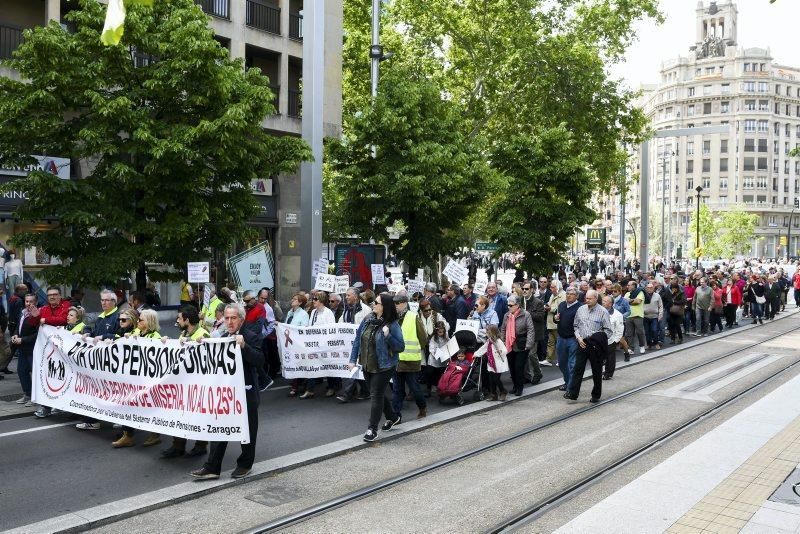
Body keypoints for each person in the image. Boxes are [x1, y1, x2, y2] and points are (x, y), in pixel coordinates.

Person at [191, 304, 264, 480]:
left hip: (246, 392)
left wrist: (244, 346)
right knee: (219, 427)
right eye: (227, 318)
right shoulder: (223, 337)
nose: (229, 322)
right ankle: (212, 467)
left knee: (247, 430)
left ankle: (245, 464)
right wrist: (200, 345)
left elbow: (260, 361)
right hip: (226, 394)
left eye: (233, 318)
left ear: (241, 319)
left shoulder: (251, 336)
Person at [348, 293, 405, 442]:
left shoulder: (392, 324)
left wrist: (388, 336)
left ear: (384, 307)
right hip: (367, 364)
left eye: (376, 303)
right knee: (376, 393)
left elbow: (400, 347)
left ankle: (372, 429)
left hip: (385, 366)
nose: (374, 304)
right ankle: (393, 417)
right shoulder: (368, 320)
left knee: (376, 395)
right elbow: (357, 340)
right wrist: (352, 360)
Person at [161, 305, 210, 459]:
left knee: (198, 416)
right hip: (184, 382)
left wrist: (188, 341)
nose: (177, 320)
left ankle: (200, 446)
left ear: (187, 320)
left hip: (198, 383)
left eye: (179, 318)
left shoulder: (203, 334)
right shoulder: (184, 332)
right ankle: (178, 446)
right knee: (180, 414)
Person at [112, 309, 162, 448]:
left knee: (150, 406)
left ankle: (155, 434)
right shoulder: (135, 333)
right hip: (133, 378)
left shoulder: (156, 337)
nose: (138, 321)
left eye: (141, 320)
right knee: (128, 403)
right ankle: (127, 435)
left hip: (147, 379)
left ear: (149, 322)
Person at [564, 290, 612, 403]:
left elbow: (609, 331)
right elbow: (575, 325)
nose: (587, 300)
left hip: (595, 345)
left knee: (596, 370)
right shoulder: (581, 310)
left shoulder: (603, 312)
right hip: (582, 343)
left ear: (596, 298)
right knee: (577, 368)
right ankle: (573, 393)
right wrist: (578, 337)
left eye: (590, 298)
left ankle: (596, 395)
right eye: (586, 298)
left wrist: (599, 339)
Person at [392, 293, 427, 420]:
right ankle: (396, 415)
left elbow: (423, 337)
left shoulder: (413, 316)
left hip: (411, 360)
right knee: (397, 389)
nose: (395, 306)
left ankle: (422, 408)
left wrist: (418, 348)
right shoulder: (392, 317)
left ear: (404, 303)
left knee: (414, 388)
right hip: (396, 360)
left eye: (397, 303)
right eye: (394, 303)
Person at [301, 291, 339, 398]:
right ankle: (310, 389)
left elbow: (331, 329)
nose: (313, 301)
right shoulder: (313, 312)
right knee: (313, 365)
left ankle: (332, 387)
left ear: (321, 301)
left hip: (325, 345)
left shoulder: (328, 313)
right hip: (314, 344)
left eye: (315, 299)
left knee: (327, 366)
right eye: (313, 299)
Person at [499, 294, 534, 397]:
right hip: (509, 345)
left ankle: (519, 387)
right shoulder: (506, 315)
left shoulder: (525, 314)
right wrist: (503, 343)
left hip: (522, 344)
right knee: (512, 368)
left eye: (511, 305)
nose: (509, 307)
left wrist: (529, 344)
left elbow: (531, 330)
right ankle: (515, 386)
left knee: (519, 367)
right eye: (508, 305)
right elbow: (503, 329)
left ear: (517, 305)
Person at [12, 293, 40, 407]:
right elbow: (18, 328)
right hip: (22, 349)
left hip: (32, 349)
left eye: (31, 301)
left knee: (35, 373)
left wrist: (22, 340)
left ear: (36, 302)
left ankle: (36, 397)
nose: (28, 304)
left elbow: (37, 334)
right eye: (27, 301)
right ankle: (27, 394)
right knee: (21, 371)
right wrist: (14, 335)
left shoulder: (37, 315)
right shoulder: (23, 313)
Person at [555, 287, 581, 391]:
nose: (568, 295)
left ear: (577, 296)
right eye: (567, 294)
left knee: (572, 364)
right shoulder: (561, 305)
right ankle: (567, 381)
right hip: (561, 338)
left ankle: (571, 387)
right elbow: (557, 319)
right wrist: (555, 319)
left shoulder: (580, 307)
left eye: (571, 294)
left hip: (573, 339)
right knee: (561, 363)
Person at [473, 324, 508, 401]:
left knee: (496, 379)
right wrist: (476, 354)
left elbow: (505, 350)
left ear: (492, 332)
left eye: (488, 331)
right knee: (491, 379)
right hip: (492, 363)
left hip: (498, 363)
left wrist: (500, 351)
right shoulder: (489, 341)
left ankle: (503, 391)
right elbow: (483, 348)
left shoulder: (498, 341)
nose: (486, 332)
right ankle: (493, 394)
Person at [601, 295, 623, 380]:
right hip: (600, 339)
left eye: (605, 301)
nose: (603, 302)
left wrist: (616, 340)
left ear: (610, 304)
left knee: (610, 358)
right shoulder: (598, 311)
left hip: (611, 339)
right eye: (603, 300)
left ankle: (608, 373)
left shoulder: (617, 315)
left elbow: (620, 329)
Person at [623, 280, 647, 356]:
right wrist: (632, 300)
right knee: (629, 334)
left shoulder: (640, 293)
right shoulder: (627, 293)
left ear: (634, 286)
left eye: (629, 285)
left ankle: (642, 346)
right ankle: (631, 348)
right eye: (627, 285)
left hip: (638, 315)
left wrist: (629, 300)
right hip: (629, 316)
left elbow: (638, 301)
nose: (628, 286)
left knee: (640, 332)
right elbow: (624, 303)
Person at [642, 283, 663, 350]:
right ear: (646, 288)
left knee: (654, 330)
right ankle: (649, 344)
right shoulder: (643, 296)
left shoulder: (657, 296)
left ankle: (656, 343)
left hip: (654, 316)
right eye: (648, 287)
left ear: (653, 288)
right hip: (645, 316)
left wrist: (660, 315)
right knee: (647, 332)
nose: (649, 289)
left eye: (651, 287)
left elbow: (661, 306)